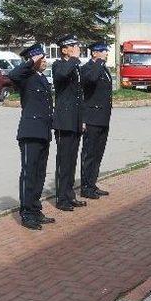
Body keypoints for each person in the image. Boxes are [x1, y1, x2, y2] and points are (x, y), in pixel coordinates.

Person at [8, 44, 55, 230]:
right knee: (29, 174)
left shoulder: (42, 78)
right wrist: (31, 62)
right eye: (41, 59)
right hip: (30, 131)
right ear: (33, 60)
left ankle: (35, 209)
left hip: (43, 131)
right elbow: (12, 75)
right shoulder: (25, 77)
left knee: (40, 174)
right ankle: (26, 213)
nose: (45, 62)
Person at [52, 34, 86, 211]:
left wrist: (83, 120)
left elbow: (80, 96)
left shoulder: (76, 66)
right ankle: (61, 198)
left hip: (75, 121)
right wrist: (74, 59)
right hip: (64, 122)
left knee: (72, 160)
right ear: (64, 49)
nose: (77, 48)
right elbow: (62, 75)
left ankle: (70, 195)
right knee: (63, 161)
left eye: (76, 45)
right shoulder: (59, 65)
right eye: (73, 46)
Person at [80, 42, 112, 199]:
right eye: (103, 51)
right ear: (94, 53)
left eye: (106, 51)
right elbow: (91, 80)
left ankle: (92, 183)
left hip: (103, 118)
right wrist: (99, 62)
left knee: (98, 153)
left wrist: (101, 63)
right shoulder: (87, 68)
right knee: (89, 154)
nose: (106, 53)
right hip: (92, 118)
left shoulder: (103, 68)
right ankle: (85, 187)